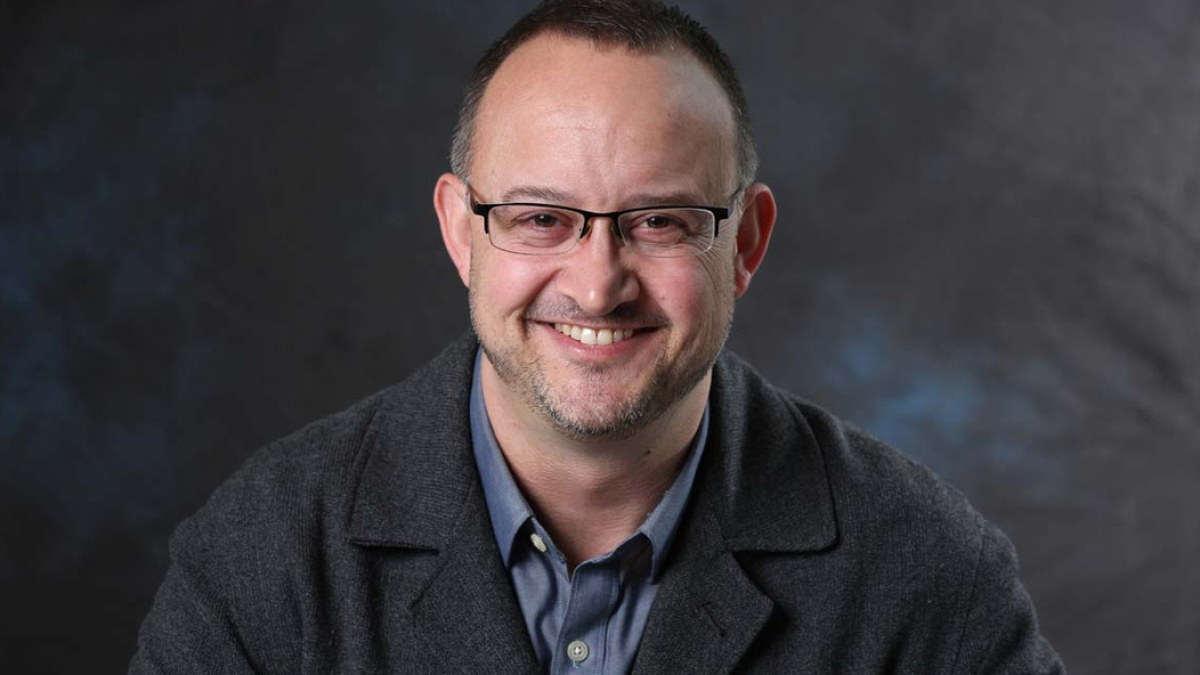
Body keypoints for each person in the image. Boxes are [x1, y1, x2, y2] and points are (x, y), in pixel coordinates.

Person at [129, 1, 1065, 673]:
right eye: (540, 217)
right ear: (461, 231)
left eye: (659, 220)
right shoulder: (269, 558)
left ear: (744, 242)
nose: (597, 283)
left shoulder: (926, 575)